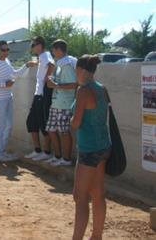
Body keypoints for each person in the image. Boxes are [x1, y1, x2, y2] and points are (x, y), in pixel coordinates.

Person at [71, 55, 111, 240]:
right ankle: (97, 236)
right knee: (97, 193)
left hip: (89, 149)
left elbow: (76, 122)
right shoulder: (101, 88)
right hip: (103, 146)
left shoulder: (83, 91)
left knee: (80, 197)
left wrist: (69, 120)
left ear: (80, 70)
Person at [0, 40, 34, 161]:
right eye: (3, 50)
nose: (6, 52)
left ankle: (1, 152)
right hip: (0, 98)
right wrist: (4, 84)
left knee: (8, 125)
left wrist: (26, 66)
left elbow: (14, 74)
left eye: (7, 49)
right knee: (2, 125)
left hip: (9, 96)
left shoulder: (7, 61)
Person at [45, 39, 78, 166]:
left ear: (58, 50)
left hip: (65, 104)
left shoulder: (66, 65)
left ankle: (66, 159)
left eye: (53, 50)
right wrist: (52, 83)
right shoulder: (60, 64)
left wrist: (55, 85)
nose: (53, 53)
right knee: (51, 129)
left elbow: (73, 85)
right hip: (56, 103)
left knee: (64, 132)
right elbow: (50, 84)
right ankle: (58, 156)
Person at [25, 36, 55, 161]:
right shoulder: (42, 57)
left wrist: (46, 78)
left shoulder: (45, 55)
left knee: (43, 124)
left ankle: (46, 152)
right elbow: (44, 63)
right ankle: (38, 150)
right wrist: (35, 63)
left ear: (40, 45)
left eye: (34, 45)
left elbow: (52, 65)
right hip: (38, 94)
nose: (32, 47)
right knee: (32, 122)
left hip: (42, 95)